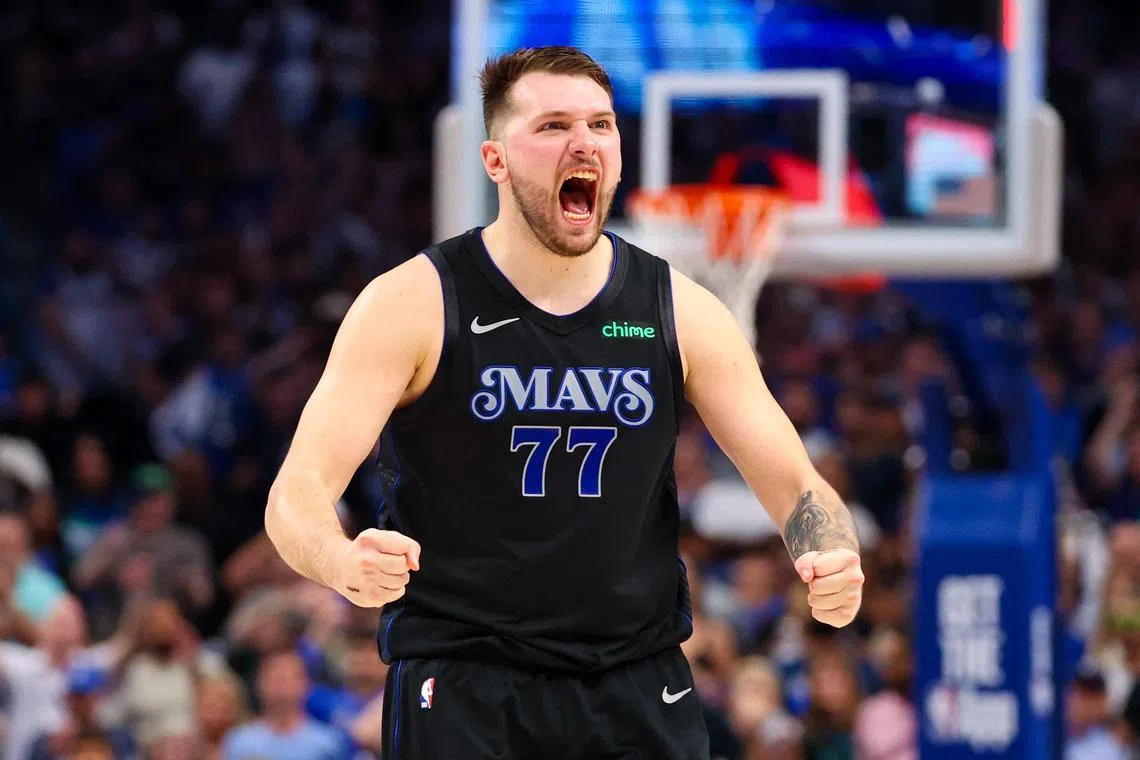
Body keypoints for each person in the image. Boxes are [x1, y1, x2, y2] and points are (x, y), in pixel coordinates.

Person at [264, 45, 864, 759]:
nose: (584, 143)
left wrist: (831, 549)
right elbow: (294, 495)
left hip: (636, 682)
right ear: (494, 160)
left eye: (601, 125)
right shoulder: (412, 304)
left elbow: (799, 486)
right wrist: (339, 562)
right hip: (466, 680)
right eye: (552, 126)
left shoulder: (681, 309)